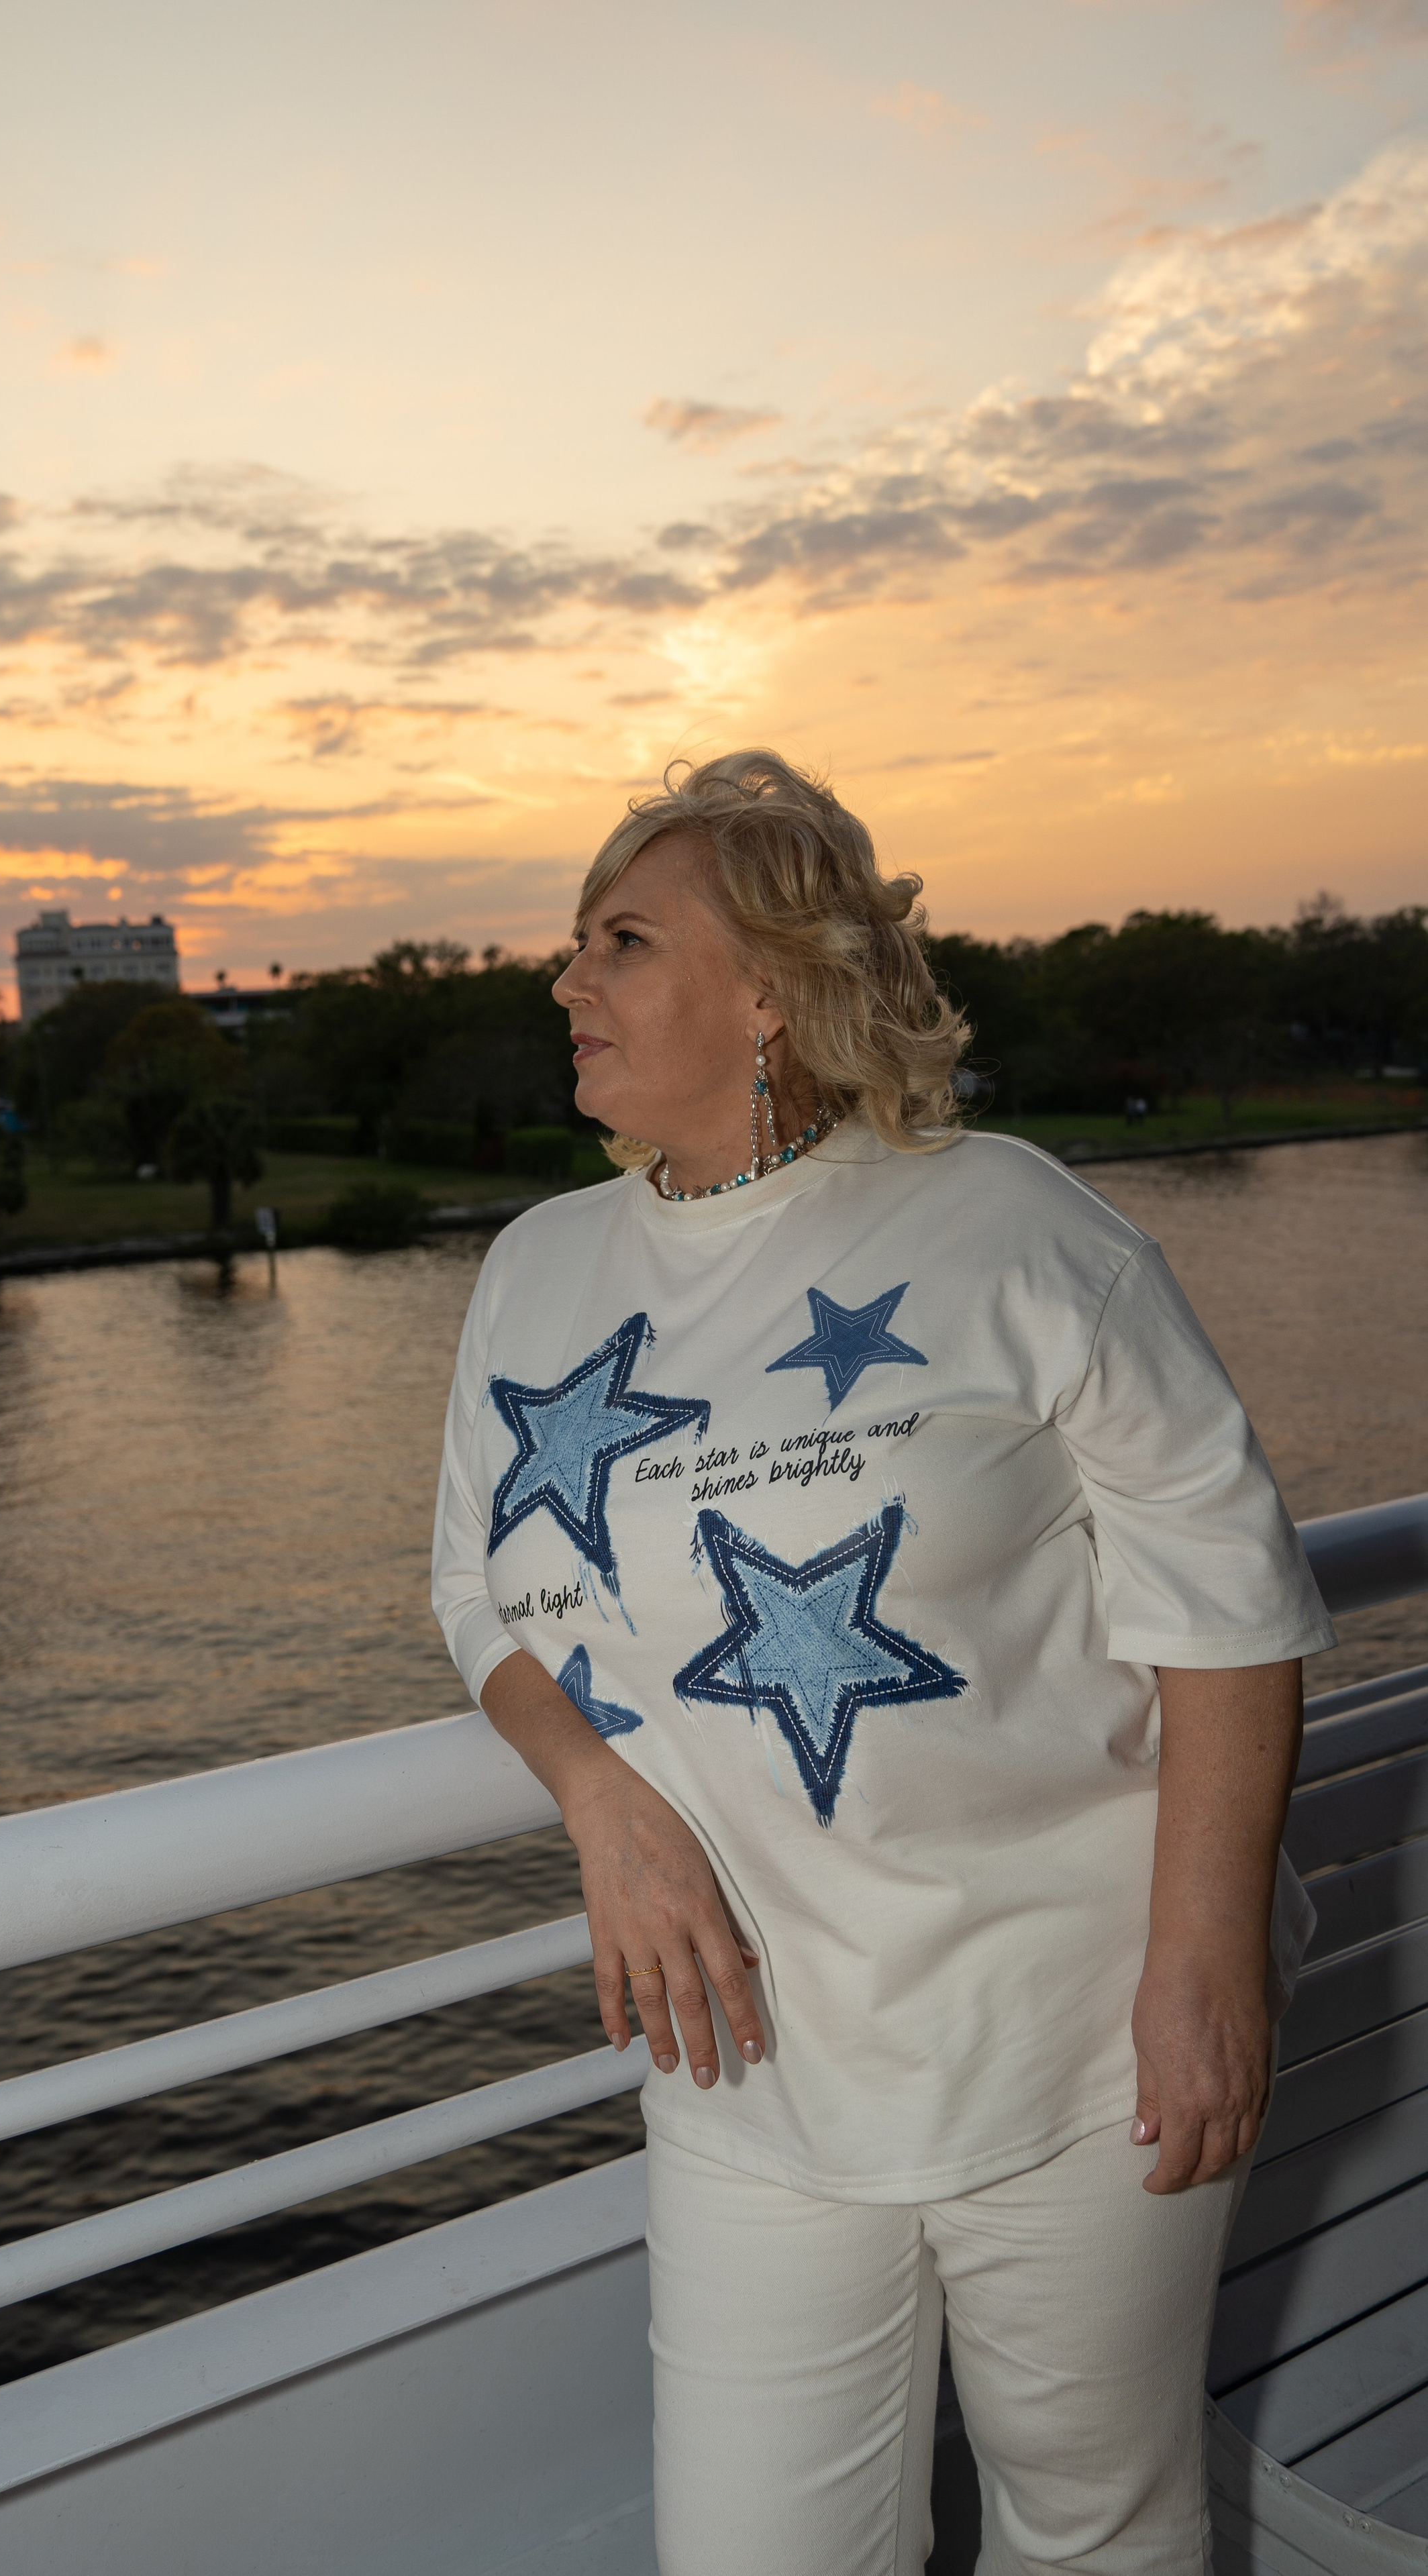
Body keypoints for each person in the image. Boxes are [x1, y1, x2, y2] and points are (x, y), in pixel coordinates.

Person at [430, 752, 1333, 2576]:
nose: (565, 983)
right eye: (571, 944)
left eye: (619, 941)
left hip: (1073, 2041)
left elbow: (1224, 1610)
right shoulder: (538, 1268)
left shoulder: (1016, 1226)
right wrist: (599, 1797)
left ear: (770, 991)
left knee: (1096, 2530)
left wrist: (1205, 1964)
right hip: (743, 2060)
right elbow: (477, 1585)